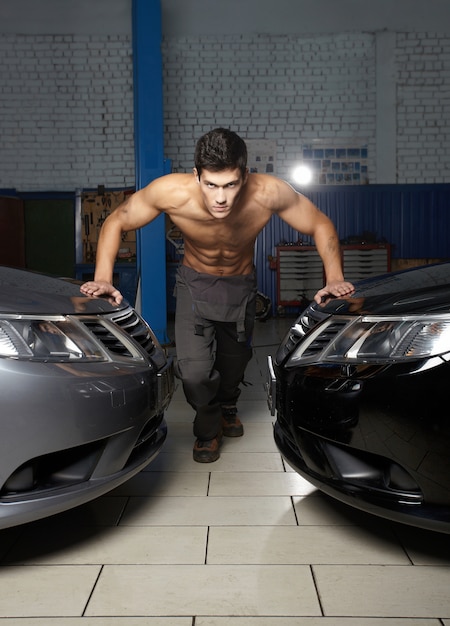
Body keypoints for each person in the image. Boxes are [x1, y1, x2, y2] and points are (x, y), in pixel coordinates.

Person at [80, 128, 354, 463]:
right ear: (197, 176)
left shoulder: (268, 192)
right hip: (194, 285)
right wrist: (104, 278)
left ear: (245, 175)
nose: (220, 197)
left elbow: (320, 224)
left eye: (230, 185)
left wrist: (335, 277)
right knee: (194, 371)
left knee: (234, 365)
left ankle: (227, 405)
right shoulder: (172, 192)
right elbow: (117, 220)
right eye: (211, 185)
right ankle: (208, 427)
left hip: (241, 287)